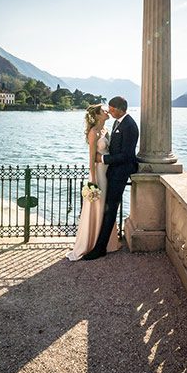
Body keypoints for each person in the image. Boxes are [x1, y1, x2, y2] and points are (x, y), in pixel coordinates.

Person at [81, 96, 138, 261]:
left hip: (120, 172)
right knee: (107, 209)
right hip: (109, 172)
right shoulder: (116, 123)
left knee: (111, 209)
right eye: (108, 109)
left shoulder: (130, 125)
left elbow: (127, 155)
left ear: (121, 109)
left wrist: (103, 159)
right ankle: (102, 244)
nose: (110, 112)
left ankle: (100, 248)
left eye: (112, 109)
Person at [66, 104, 118, 260]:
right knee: (97, 206)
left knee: (106, 207)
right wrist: (93, 178)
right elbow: (91, 159)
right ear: (97, 115)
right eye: (103, 111)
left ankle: (106, 242)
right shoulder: (93, 132)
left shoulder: (106, 131)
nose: (107, 112)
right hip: (99, 173)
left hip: (109, 172)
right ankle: (90, 242)